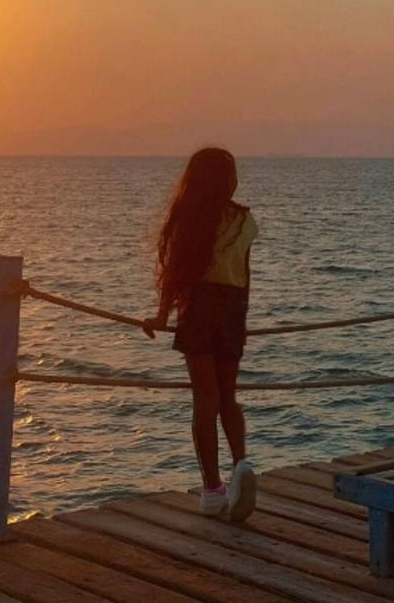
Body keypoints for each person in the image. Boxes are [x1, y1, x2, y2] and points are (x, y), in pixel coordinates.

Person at [142, 146, 259, 520]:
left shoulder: (188, 219)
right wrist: (241, 320)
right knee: (228, 397)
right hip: (233, 308)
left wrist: (161, 315)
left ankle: (212, 488)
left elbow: (175, 274)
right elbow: (245, 274)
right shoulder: (244, 221)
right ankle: (240, 466)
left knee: (205, 400)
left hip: (199, 308)